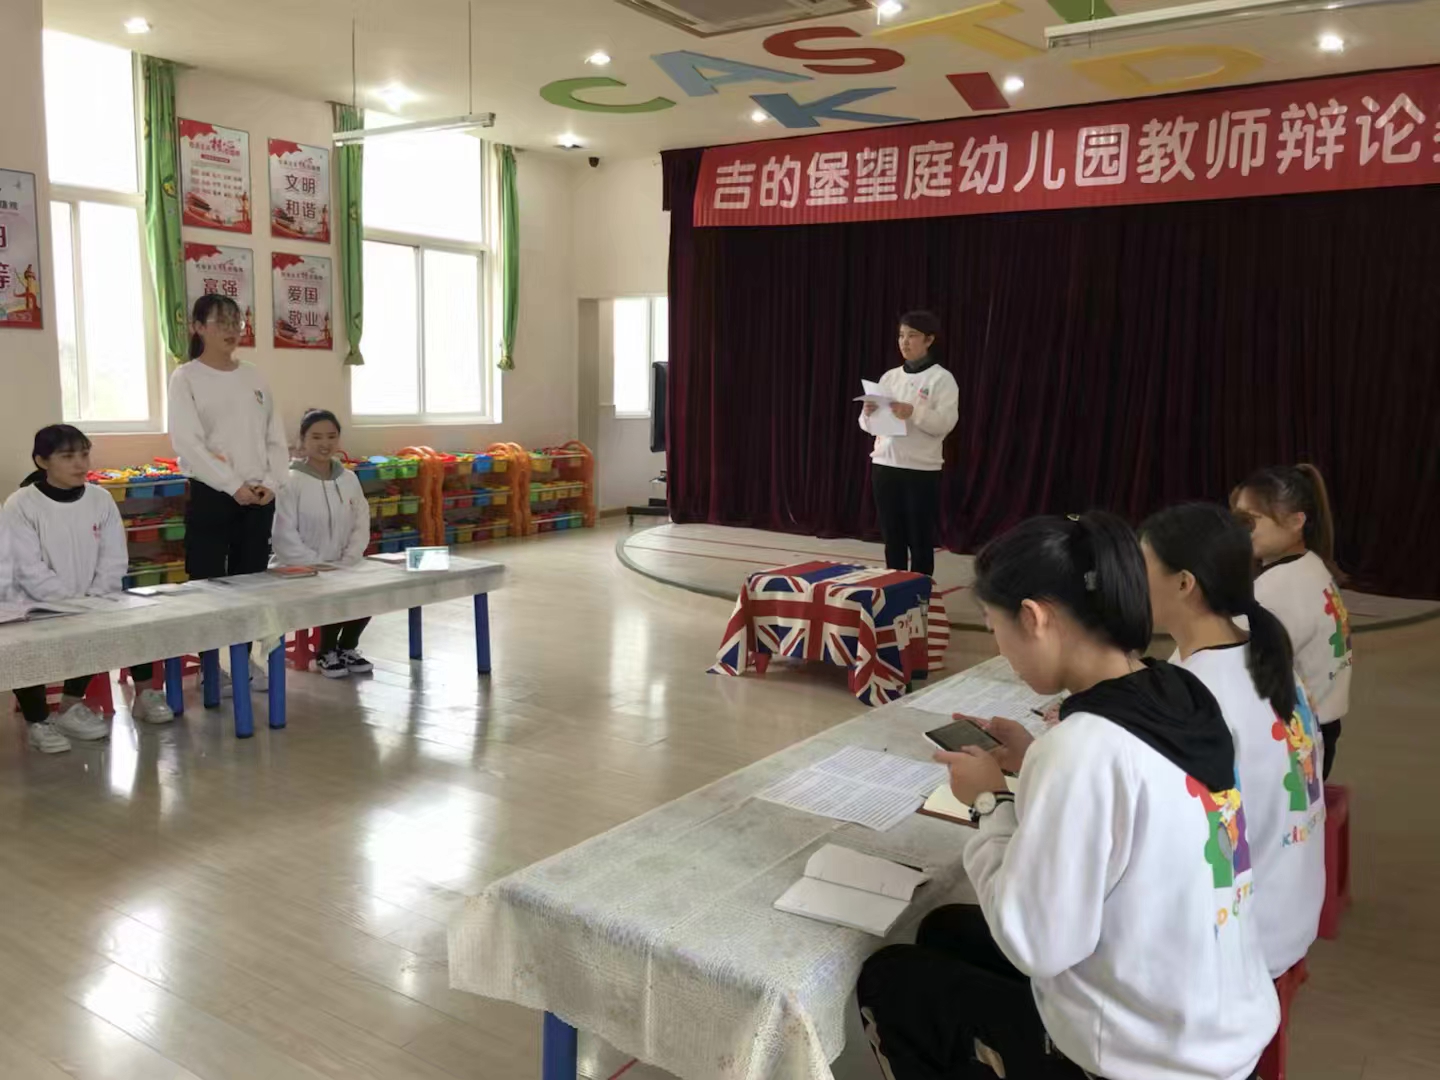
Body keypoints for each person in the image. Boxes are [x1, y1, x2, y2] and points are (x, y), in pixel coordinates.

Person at [857, 512, 1277, 1080]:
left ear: (1033, 618)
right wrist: (1034, 758)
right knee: (945, 930)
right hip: (1214, 1019)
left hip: (1145, 1061)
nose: (1000, 648)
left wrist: (989, 804)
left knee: (890, 979)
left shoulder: (1081, 748)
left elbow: (1037, 946)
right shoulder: (1181, 692)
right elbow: (1126, 798)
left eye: (994, 626)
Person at [1141, 502, 1325, 979]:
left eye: (1142, 567)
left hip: (1245, 942)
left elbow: (1164, 840)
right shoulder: (1263, 652)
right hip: (1291, 908)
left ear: (1184, 583)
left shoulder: (1196, 693)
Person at [4, 425, 174, 754]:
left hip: (93, 599)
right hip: (34, 602)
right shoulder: (21, 504)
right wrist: (70, 601)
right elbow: (27, 566)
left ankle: (73, 706)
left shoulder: (100, 498)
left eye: (84, 454)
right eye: (68, 456)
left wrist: (95, 597)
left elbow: (114, 557)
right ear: (42, 461)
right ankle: (38, 722)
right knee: (25, 646)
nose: (80, 464)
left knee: (128, 620)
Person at [168, 294, 290, 694]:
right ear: (197, 327)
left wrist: (271, 482)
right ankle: (209, 667)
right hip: (213, 493)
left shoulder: (253, 375)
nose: (231, 330)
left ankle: (245, 659)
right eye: (220, 322)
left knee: (251, 583)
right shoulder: (186, 377)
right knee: (207, 584)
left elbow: (274, 435)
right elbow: (188, 442)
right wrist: (231, 485)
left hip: (258, 496)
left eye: (236, 322)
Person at [1232, 465, 1350, 779]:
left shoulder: (1278, 586)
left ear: (1297, 521)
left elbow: (1227, 658)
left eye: (1251, 520)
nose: (1241, 531)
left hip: (1297, 746)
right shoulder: (1313, 565)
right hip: (1322, 732)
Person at [271, 409, 373, 678]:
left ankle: (347, 647)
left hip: (344, 563)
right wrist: (315, 563)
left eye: (331, 436)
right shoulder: (289, 481)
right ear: (302, 440)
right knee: (332, 589)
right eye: (316, 437)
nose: (324, 443)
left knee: (372, 588)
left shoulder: (349, 479)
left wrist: (349, 559)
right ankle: (326, 651)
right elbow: (283, 533)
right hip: (298, 566)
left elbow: (361, 521)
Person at [859, 311, 959, 577]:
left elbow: (945, 423)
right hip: (885, 464)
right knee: (892, 538)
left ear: (929, 340)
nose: (904, 342)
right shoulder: (889, 377)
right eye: (901, 335)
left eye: (912, 336)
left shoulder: (942, 379)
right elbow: (868, 427)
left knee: (919, 538)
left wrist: (913, 412)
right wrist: (868, 414)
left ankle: (920, 593)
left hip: (920, 469)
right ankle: (895, 589)